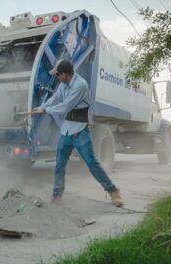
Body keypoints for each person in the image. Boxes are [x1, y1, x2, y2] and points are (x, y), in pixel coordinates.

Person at [30, 59, 123, 207]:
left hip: (80, 130)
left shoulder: (80, 85)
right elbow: (55, 99)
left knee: (92, 164)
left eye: (59, 75)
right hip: (67, 130)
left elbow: (65, 107)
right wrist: (40, 107)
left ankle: (113, 191)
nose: (57, 78)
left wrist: (45, 111)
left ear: (66, 74)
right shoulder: (64, 84)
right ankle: (57, 196)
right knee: (59, 165)